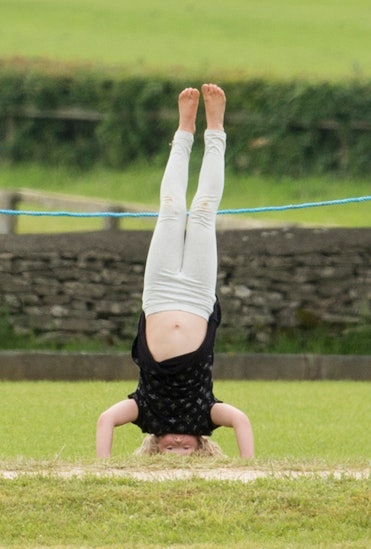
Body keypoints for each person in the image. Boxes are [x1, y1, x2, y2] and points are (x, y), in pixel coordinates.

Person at [96, 84, 254, 458]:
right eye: (186, 451)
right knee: (201, 211)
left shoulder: (144, 412)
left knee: (170, 209)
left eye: (170, 451)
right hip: (198, 300)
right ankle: (215, 129)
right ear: (202, 446)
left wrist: (101, 471)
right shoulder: (206, 415)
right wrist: (249, 469)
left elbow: (105, 420)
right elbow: (242, 421)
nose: (178, 444)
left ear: (153, 447)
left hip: (160, 294)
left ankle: (184, 130)